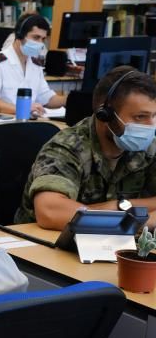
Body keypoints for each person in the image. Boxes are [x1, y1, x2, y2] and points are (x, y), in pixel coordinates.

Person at [17, 66, 156, 230]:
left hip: (110, 246)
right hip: (43, 246)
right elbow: (50, 211)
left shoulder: (149, 146)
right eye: (140, 117)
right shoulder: (67, 146)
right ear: (105, 114)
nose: (151, 126)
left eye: (154, 116)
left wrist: (118, 206)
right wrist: (134, 221)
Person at [0, 14, 65, 117]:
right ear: (19, 35)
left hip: (27, 121)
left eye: (43, 39)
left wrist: (73, 100)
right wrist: (22, 109)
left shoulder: (35, 64)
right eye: (36, 37)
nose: (40, 43)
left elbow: (47, 99)